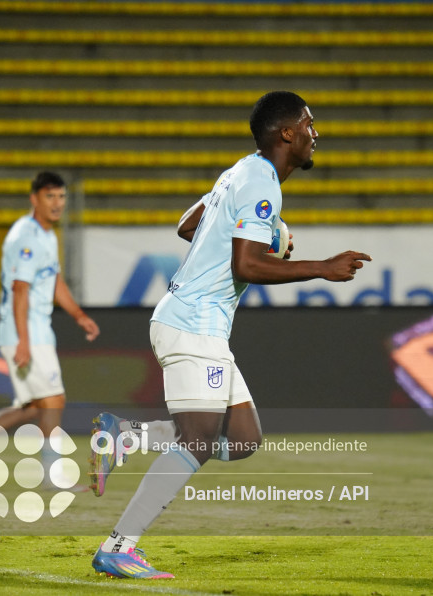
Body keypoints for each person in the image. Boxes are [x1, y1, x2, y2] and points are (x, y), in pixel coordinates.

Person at [89, 91, 372, 579]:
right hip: (194, 324)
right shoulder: (261, 183)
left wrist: (257, 229)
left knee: (242, 441)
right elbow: (247, 264)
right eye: (308, 123)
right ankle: (118, 546)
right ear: (287, 133)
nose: (314, 133)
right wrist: (321, 267)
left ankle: (126, 436)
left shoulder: (238, 171)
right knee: (197, 443)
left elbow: (186, 226)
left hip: (195, 323)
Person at [0, 171, 99, 488]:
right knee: (54, 399)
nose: (57, 204)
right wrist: (24, 342)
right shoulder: (26, 236)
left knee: (32, 407)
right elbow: (19, 290)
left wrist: (79, 315)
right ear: (34, 199)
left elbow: (54, 282)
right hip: (26, 332)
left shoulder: (47, 235)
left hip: (35, 331)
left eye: (61, 197)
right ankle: (52, 474)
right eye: (50, 196)